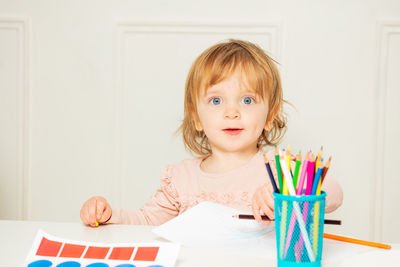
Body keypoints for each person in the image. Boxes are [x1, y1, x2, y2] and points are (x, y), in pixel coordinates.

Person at [80, 39, 343, 227]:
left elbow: (334, 193)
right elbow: (147, 221)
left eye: (247, 101)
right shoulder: (181, 178)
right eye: (216, 101)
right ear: (195, 116)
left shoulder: (280, 169)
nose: (232, 112)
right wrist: (109, 215)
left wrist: (289, 193)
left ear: (270, 115)